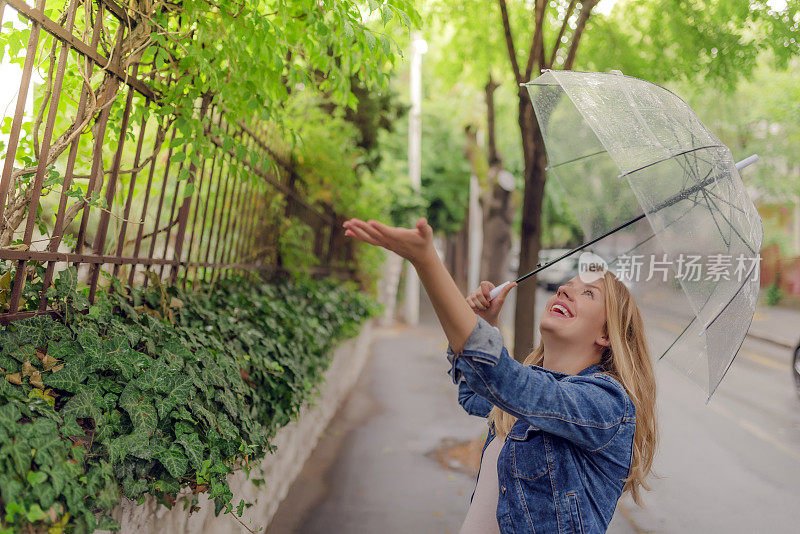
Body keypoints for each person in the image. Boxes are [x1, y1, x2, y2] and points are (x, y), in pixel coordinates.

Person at [342, 216, 658, 534]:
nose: (564, 289)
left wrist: (426, 260)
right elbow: (476, 393)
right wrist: (486, 324)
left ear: (607, 334)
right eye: (568, 285)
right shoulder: (531, 392)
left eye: (588, 294)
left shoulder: (607, 402)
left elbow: (506, 381)